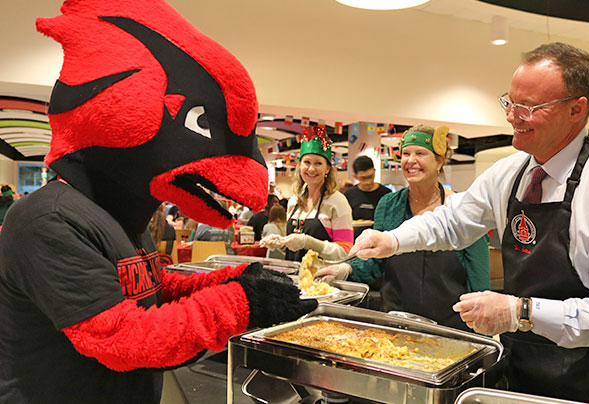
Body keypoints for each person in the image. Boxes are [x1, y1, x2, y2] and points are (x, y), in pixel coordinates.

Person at [0, 1, 316, 402]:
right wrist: (241, 302)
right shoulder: (47, 218)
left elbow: (151, 288)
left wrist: (232, 280)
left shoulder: (118, 210)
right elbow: (122, 338)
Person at [347, 42, 589, 403]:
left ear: (577, 109)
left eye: (529, 107)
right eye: (509, 102)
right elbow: (453, 221)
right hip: (522, 375)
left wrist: (520, 312)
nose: (512, 116)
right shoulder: (512, 173)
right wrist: (393, 241)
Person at [316, 126, 489, 330]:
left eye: (420, 153)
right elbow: (374, 263)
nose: (410, 160)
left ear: (440, 160)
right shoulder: (389, 205)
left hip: (449, 329)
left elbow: (479, 279)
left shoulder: (462, 210)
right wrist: (344, 269)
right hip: (395, 323)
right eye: (405, 154)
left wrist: (480, 330)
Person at [261, 125, 353, 262]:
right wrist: (280, 243)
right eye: (307, 162)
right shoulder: (294, 201)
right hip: (295, 276)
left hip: (322, 279)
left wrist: (308, 242)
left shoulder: (337, 202)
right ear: (299, 166)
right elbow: (295, 250)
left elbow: (345, 252)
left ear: (328, 168)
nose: (311, 169)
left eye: (318, 163)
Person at [343, 155, 391, 239]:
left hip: (381, 240)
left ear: (375, 171)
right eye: (363, 178)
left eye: (370, 176)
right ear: (355, 176)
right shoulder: (350, 194)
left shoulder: (386, 194)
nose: (368, 182)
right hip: (356, 240)